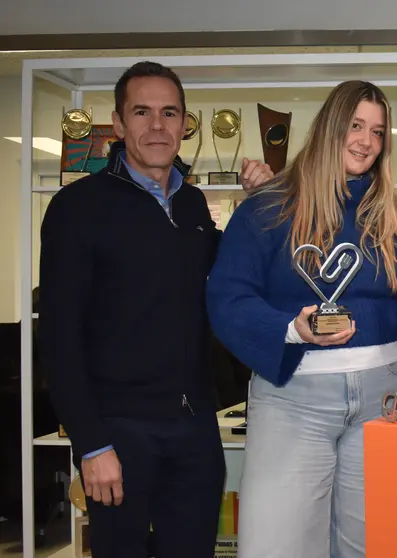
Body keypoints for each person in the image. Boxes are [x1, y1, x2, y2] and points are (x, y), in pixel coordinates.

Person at [205, 80, 397, 558]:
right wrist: (289, 330)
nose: (365, 141)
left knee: (381, 544)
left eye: (378, 132)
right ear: (328, 129)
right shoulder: (266, 210)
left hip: (389, 396)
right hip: (292, 398)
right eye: (355, 126)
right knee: (277, 545)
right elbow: (227, 298)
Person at [38, 61, 255, 557]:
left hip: (195, 430)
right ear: (118, 123)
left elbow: (236, 273)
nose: (157, 126)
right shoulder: (78, 208)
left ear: (184, 123)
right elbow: (60, 337)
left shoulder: (195, 206)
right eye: (142, 112)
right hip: (119, 432)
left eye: (169, 113)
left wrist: (263, 203)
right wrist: (91, 445)